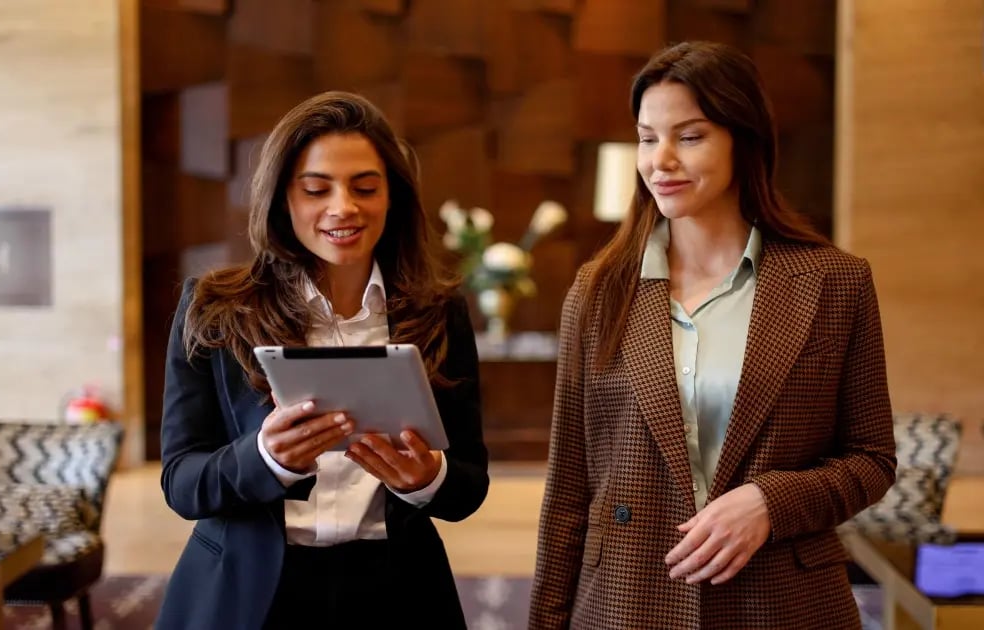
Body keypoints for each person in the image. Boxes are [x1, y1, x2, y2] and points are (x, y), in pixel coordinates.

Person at [528, 41, 897, 629]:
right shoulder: (598, 292)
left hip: (783, 604)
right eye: (648, 138)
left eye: (689, 136)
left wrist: (771, 503)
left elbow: (872, 459)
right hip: (628, 603)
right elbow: (569, 492)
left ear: (742, 140)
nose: (661, 160)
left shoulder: (835, 282)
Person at [154, 91, 489, 630]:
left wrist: (427, 478)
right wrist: (266, 458)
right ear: (282, 199)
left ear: (392, 198)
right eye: (316, 189)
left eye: (365, 187)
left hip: (395, 592)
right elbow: (182, 482)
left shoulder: (439, 312)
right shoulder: (216, 309)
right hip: (250, 594)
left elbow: (469, 487)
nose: (343, 208)